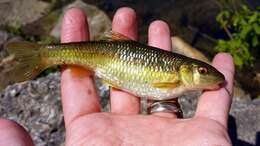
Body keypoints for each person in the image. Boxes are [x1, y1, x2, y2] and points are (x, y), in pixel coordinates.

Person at [0, 7, 234, 146]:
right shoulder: (175, 80)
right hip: (109, 58)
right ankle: (43, 54)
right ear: (186, 70)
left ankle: (42, 54)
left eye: (202, 71)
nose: (205, 74)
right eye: (202, 71)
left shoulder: (179, 82)